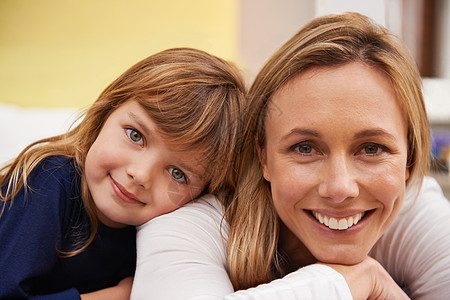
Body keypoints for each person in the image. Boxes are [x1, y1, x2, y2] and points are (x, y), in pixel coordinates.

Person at [131, 13, 450, 300]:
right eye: (305, 148)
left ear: (409, 160)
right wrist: (350, 281)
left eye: (371, 149)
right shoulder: (195, 226)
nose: (340, 188)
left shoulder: (413, 213)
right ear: (264, 155)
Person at [0, 47, 246, 299]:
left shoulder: (167, 233)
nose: (140, 175)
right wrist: (117, 295)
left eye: (177, 173)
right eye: (135, 135)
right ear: (105, 112)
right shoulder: (50, 178)